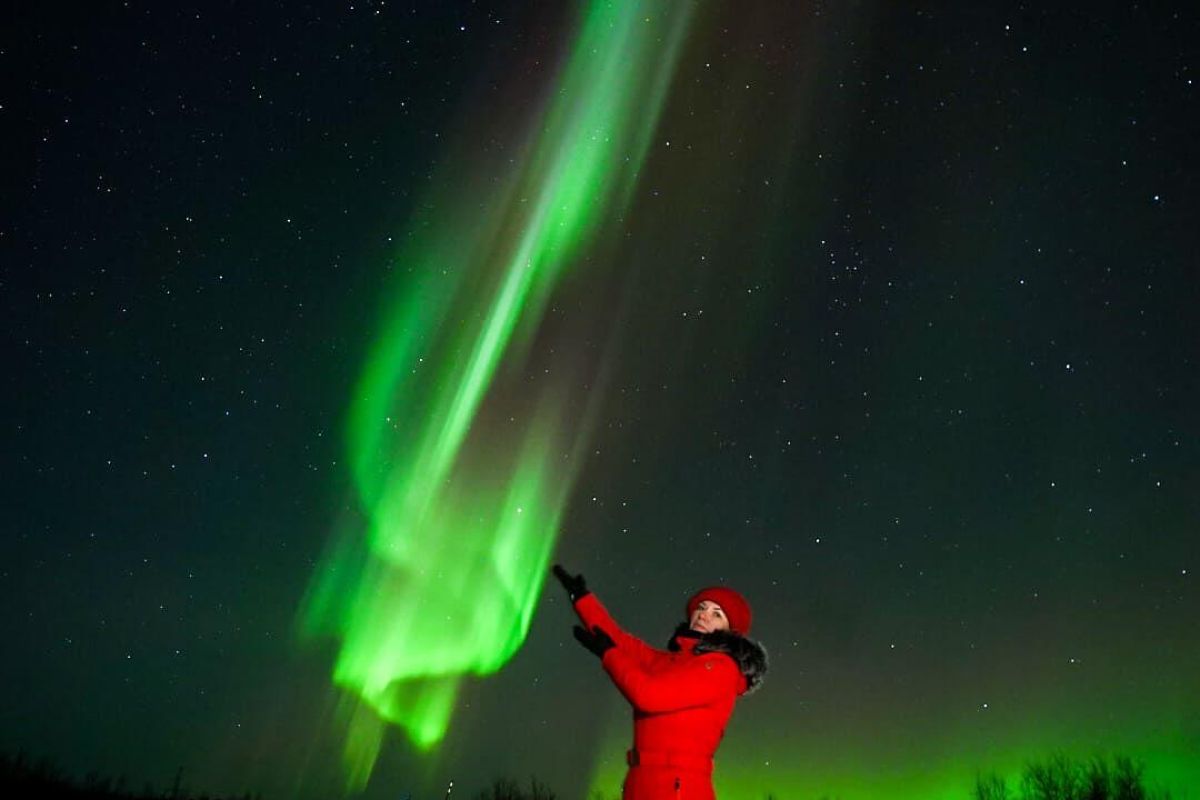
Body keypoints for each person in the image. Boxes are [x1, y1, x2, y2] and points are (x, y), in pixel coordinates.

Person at [552, 564, 767, 800]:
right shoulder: (668, 661)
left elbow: (649, 696)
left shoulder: (721, 668)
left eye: (717, 614)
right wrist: (581, 598)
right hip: (639, 782)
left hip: (679, 786)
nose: (704, 615)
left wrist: (609, 655)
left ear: (730, 631)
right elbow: (618, 640)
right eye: (701, 607)